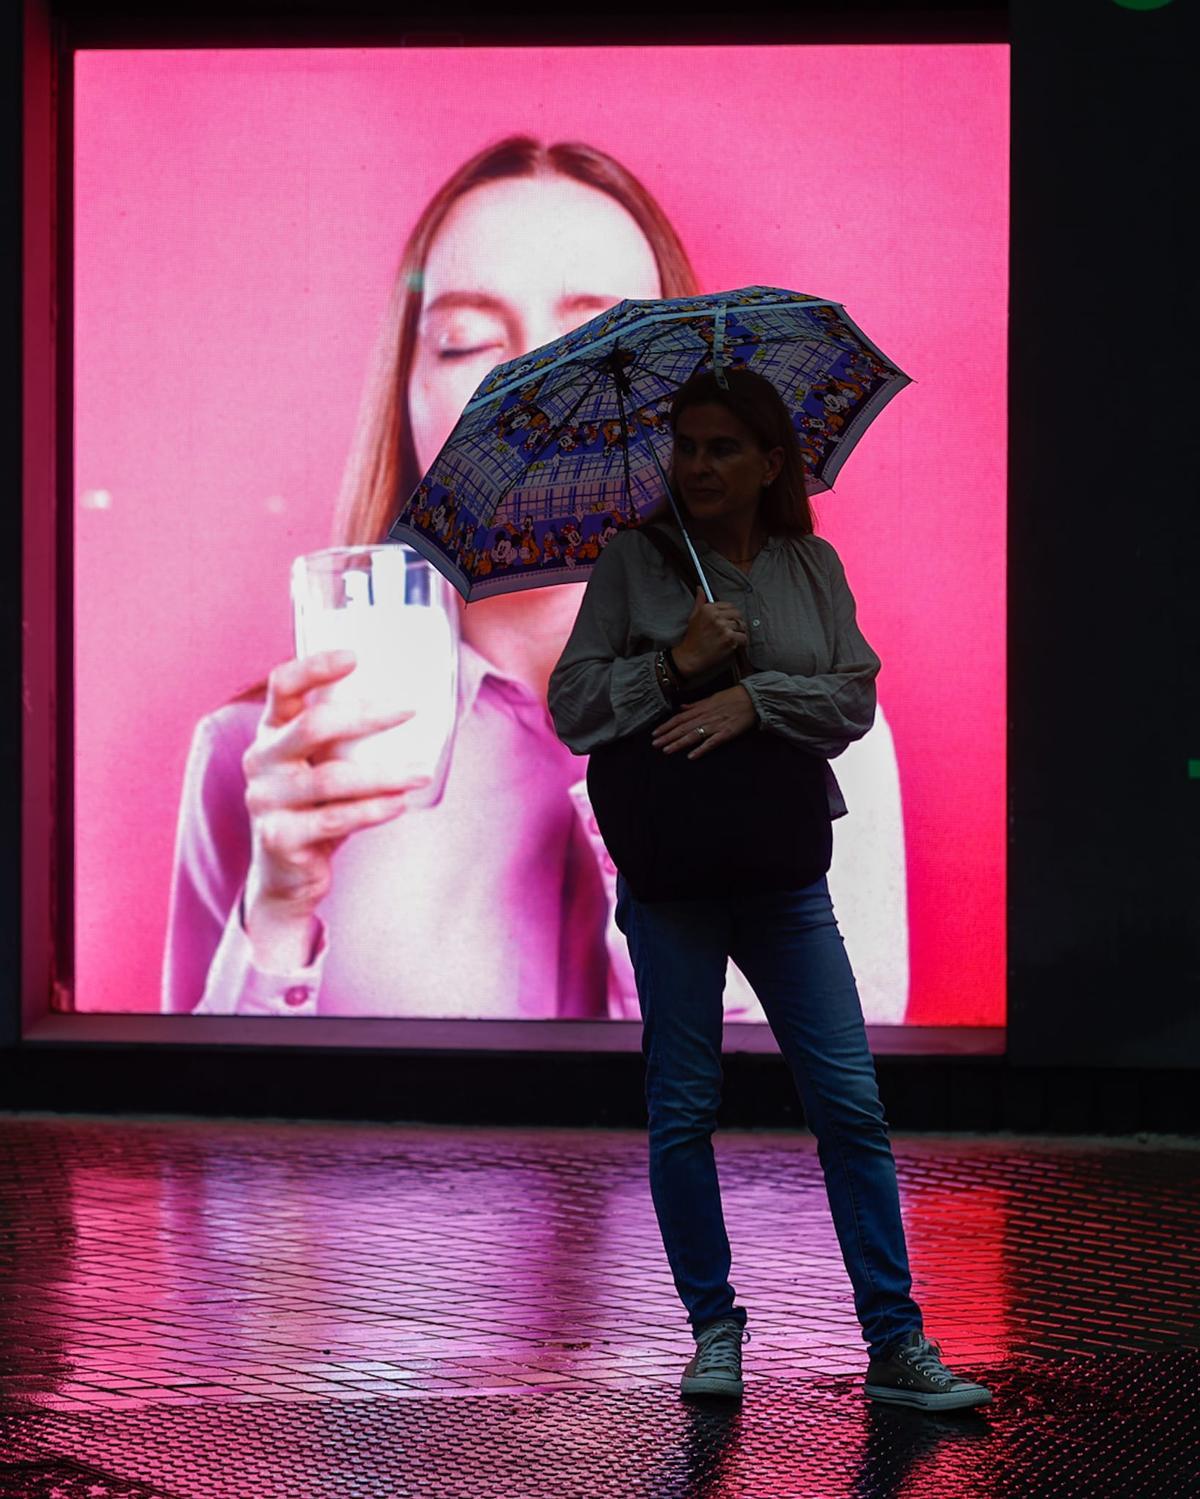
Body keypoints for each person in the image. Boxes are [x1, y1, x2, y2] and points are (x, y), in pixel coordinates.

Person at [162, 134, 907, 1021]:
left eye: (600, 341)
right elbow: (205, 1118)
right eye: (467, 342)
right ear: (406, 396)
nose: (533, 387)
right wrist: (278, 912)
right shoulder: (267, 762)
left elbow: (822, 1100)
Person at [547, 368, 991, 1410]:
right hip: (672, 879)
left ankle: (895, 1341)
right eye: (686, 445)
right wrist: (673, 664)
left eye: (722, 448)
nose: (698, 465)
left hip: (784, 872)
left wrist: (753, 697)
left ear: (769, 463)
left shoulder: (808, 564)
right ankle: (713, 1329)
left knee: (849, 1104)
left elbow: (852, 697)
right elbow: (573, 706)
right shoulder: (635, 561)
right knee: (683, 1108)